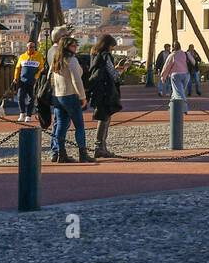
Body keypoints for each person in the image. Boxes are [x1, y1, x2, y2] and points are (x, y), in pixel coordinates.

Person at [47, 27, 94, 163]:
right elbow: (76, 79)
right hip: (70, 95)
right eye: (74, 45)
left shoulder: (56, 59)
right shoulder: (71, 60)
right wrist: (82, 97)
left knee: (60, 125)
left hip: (58, 95)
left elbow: (51, 78)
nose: (76, 48)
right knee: (79, 125)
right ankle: (82, 153)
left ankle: (60, 153)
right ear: (68, 47)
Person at [86, 34, 125, 159]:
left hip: (98, 90)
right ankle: (100, 146)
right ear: (108, 46)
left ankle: (101, 146)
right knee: (105, 118)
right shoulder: (106, 56)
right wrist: (120, 70)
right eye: (112, 47)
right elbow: (113, 75)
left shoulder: (94, 55)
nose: (112, 49)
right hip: (106, 90)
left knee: (103, 117)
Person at [13, 40, 45, 123]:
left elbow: (41, 68)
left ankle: (28, 115)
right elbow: (18, 68)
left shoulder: (39, 56)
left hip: (33, 81)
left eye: (34, 47)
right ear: (27, 48)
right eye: (30, 47)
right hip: (22, 81)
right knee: (20, 97)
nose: (32, 48)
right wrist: (15, 78)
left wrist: (36, 76)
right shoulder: (22, 56)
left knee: (31, 99)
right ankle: (22, 113)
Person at [159, 40, 190, 111]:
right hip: (186, 74)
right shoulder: (184, 53)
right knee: (177, 91)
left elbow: (167, 66)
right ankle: (171, 106)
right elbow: (192, 62)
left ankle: (184, 108)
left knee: (179, 92)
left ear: (173, 47)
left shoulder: (172, 55)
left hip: (176, 75)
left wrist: (163, 76)